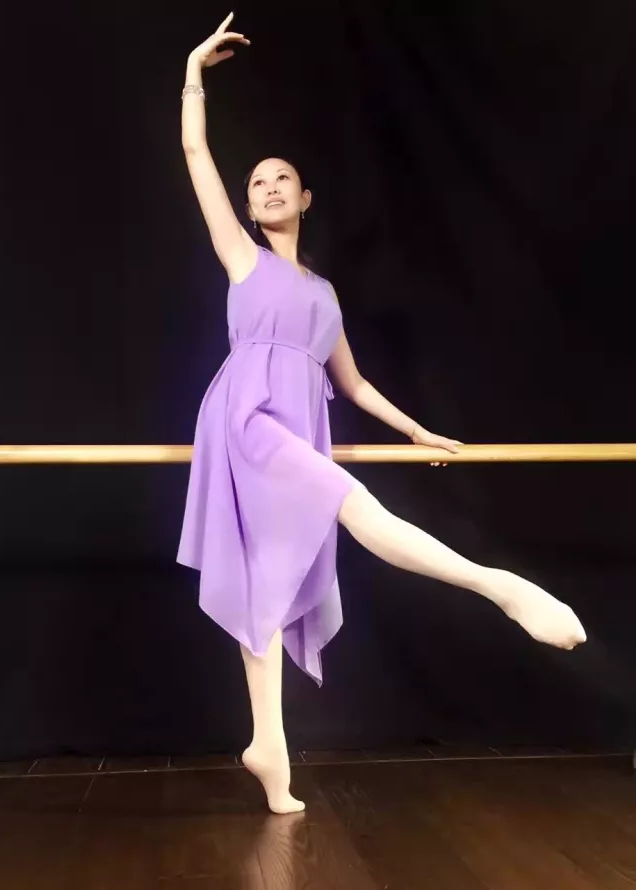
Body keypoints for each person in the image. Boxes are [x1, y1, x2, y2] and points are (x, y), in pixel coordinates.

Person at [176, 13, 586, 815]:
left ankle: (268, 747)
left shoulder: (324, 294)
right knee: (358, 509)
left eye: (281, 179)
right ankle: (502, 587)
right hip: (248, 422)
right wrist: (193, 72)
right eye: (257, 183)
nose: (268, 188)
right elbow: (196, 154)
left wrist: (418, 430)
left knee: (269, 577)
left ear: (305, 198)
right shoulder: (242, 258)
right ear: (248, 207)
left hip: (297, 426)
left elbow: (355, 385)